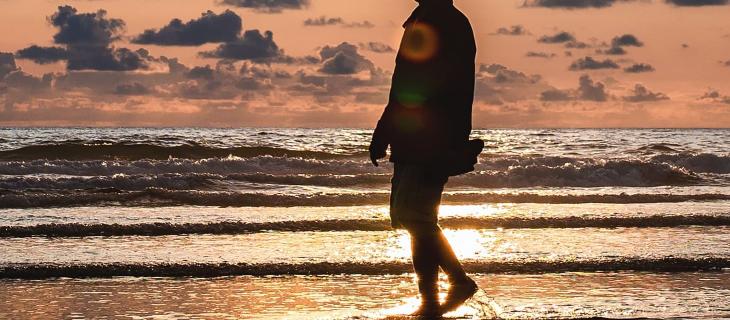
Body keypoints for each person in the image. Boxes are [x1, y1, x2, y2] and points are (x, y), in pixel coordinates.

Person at [369, 0, 478, 316]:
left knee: (414, 216)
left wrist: (384, 131)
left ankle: (457, 282)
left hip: (428, 138)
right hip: (419, 137)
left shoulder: (440, 21)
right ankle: (430, 302)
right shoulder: (433, 19)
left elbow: (410, 84)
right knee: (414, 218)